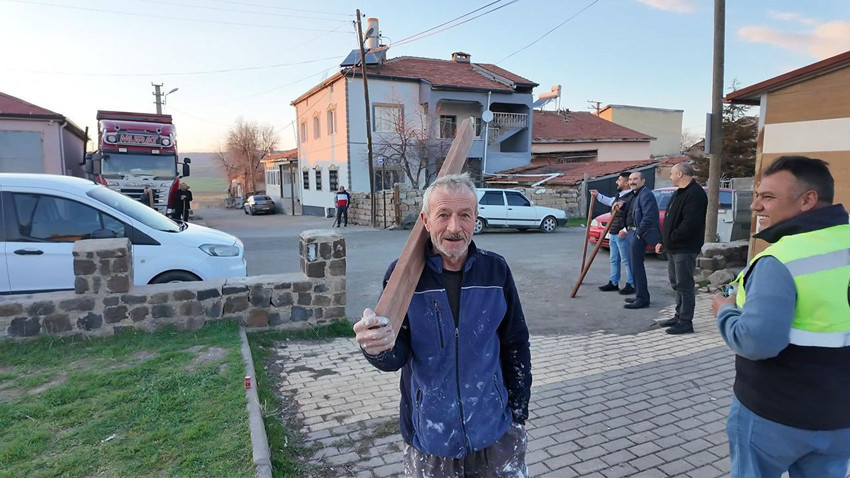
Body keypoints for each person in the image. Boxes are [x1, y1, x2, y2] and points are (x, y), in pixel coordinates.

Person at [353, 174, 532, 477]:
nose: (454, 227)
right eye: (443, 215)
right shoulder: (403, 275)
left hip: (496, 433)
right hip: (430, 439)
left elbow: (515, 344)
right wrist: (376, 346)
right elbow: (395, 355)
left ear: (476, 219)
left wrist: (517, 415)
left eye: (465, 215)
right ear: (425, 219)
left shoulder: (495, 270)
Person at [712, 156, 850, 477]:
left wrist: (725, 313)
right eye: (758, 195)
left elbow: (757, 342)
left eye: (768, 197)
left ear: (807, 200)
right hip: (839, 418)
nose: (756, 206)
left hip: (775, 415)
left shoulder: (781, 259)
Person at [655, 163, 707, 334]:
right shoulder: (679, 192)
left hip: (685, 247)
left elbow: (690, 224)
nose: (670, 177)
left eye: (671, 174)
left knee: (685, 285)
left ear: (679, 173)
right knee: (676, 283)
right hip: (673, 247)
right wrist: (664, 241)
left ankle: (686, 322)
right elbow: (670, 219)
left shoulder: (695, 194)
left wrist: (672, 238)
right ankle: (678, 315)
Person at [590, 172, 635, 295]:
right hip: (614, 232)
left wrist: (625, 229)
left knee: (626, 260)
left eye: (619, 180)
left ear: (626, 183)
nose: (617, 182)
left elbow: (632, 214)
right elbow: (611, 202)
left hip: (622, 233)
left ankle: (631, 284)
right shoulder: (619, 196)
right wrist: (598, 196)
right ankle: (613, 282)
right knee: (614, 259)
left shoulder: (631, 197)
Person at [622, 171, 660, 309]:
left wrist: (638, 233)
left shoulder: (646, 194)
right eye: (630, 179)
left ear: (643, 181)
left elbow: (649, 216)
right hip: (632, 233)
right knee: (634, 267)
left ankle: (643, 299)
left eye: (635, 179)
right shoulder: (636, 194)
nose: (632, 181)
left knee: (637, 267)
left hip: (639, 235)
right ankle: (639, 295)